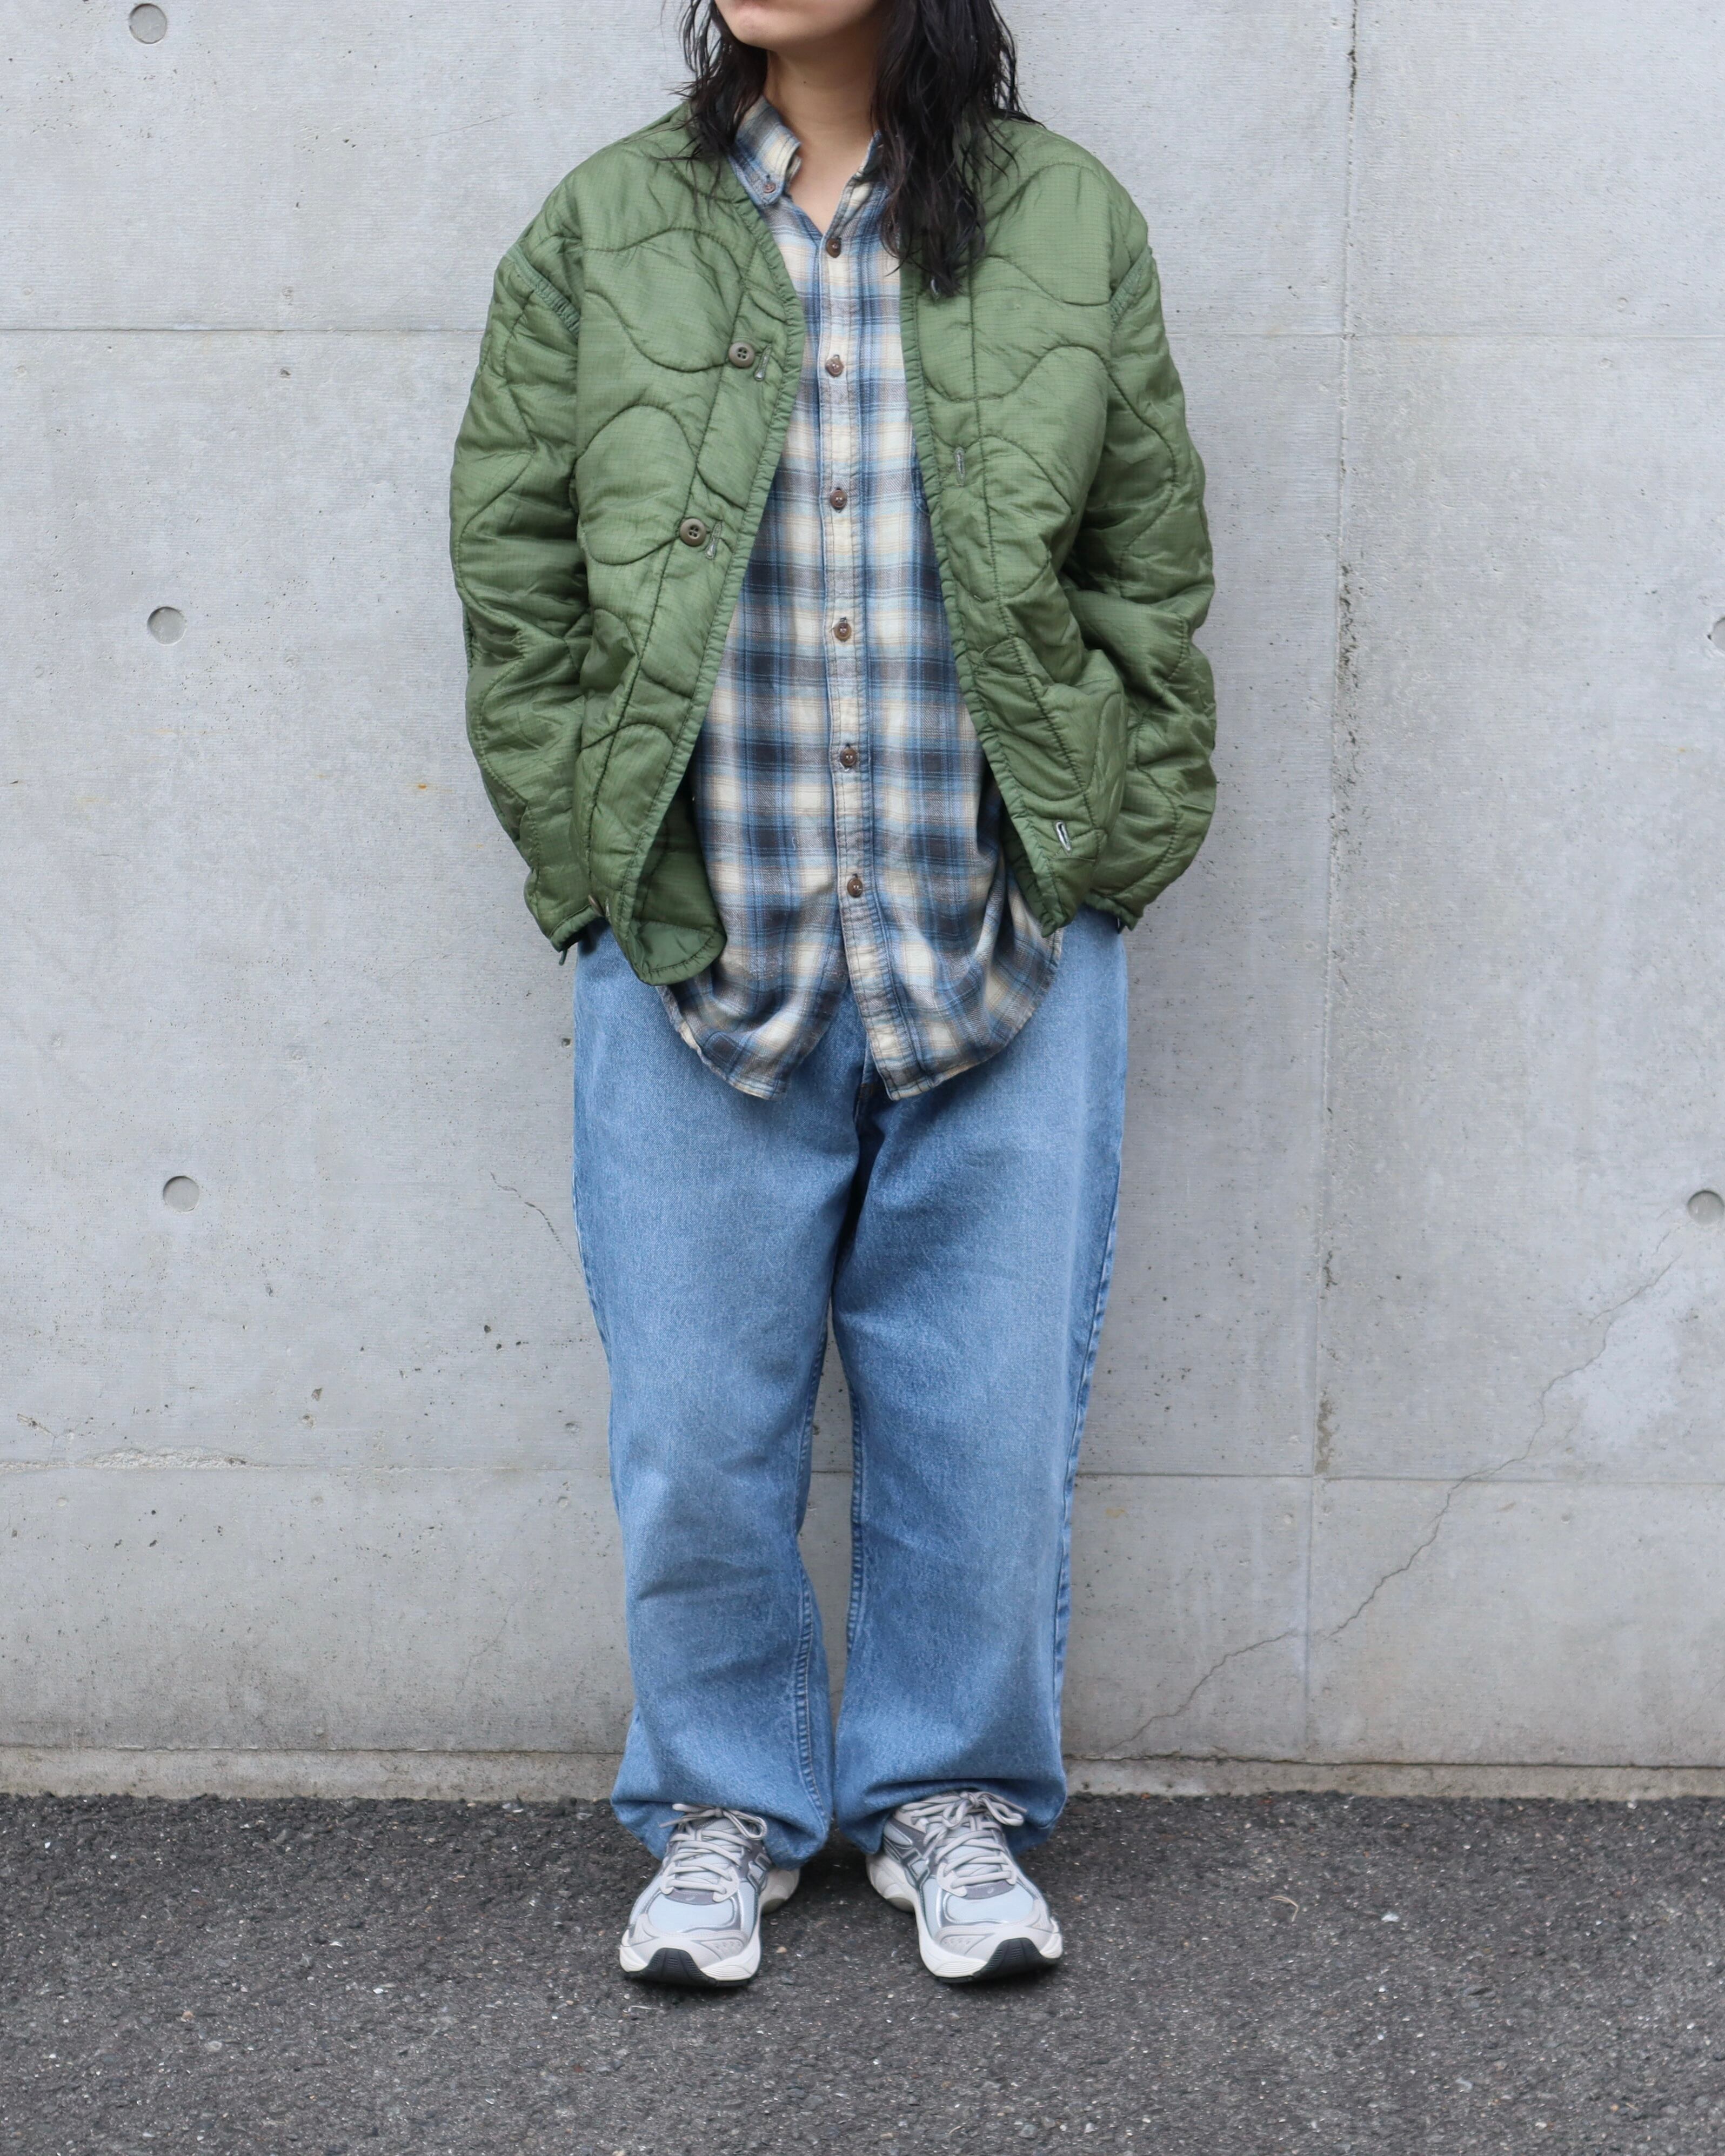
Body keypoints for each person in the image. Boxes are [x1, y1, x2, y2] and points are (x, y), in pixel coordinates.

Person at [449, 0, 1215, 1988]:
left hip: (997, 936)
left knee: (983, 1425)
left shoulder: (1067, 221)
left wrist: (1104, 856)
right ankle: (721, 1807)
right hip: (702, 942)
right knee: (698, 1431)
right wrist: (594, 869)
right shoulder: (605, 227)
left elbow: (1149, 572)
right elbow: (517, 574)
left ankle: (948, 1799)